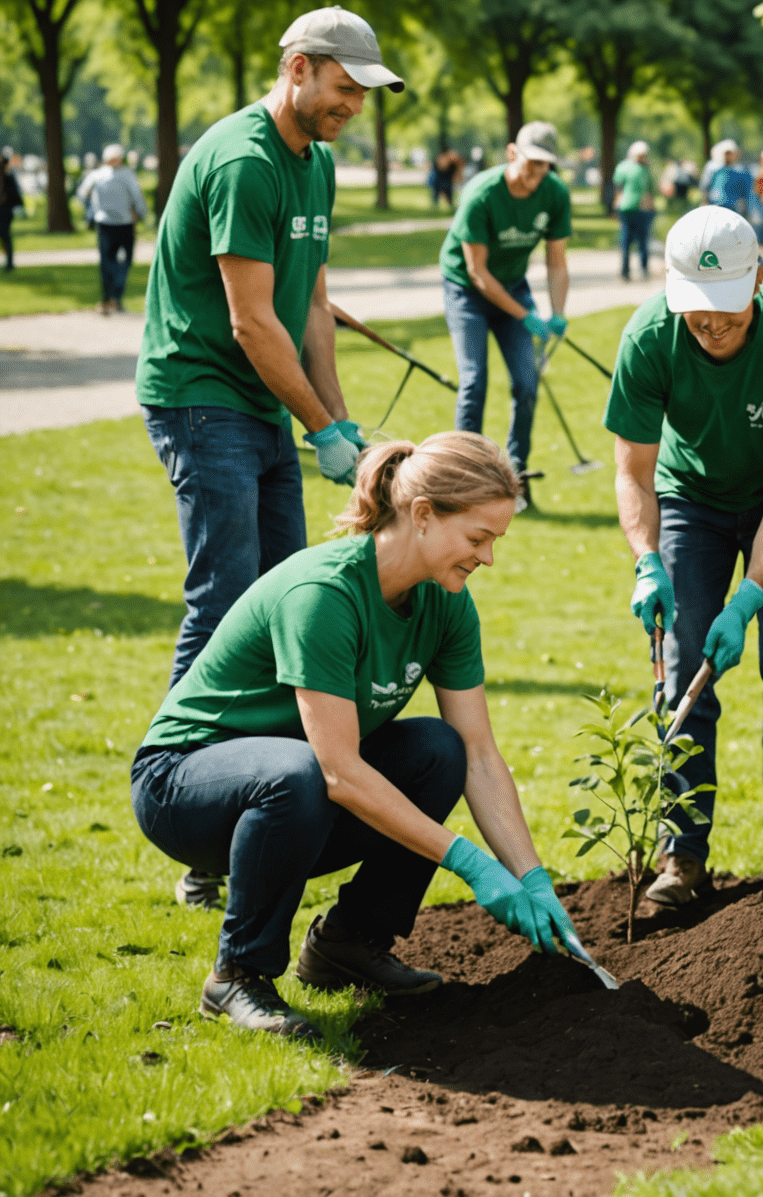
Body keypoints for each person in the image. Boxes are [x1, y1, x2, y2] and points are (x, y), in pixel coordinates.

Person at [129, 433, 580, 1040]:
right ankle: (237, 975)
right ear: (422, 515)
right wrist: (468, 861)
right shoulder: (324, 595)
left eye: (494, 541)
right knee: (302, 771)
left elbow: (476, 752)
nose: (488, 558)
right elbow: (339, 771)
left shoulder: (445, 604)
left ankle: (350, 942)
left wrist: (530, 875)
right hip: (183, 786)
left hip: (297, 789)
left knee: (436, 751)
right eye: (478, 538)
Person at [136, 7, 401, 911]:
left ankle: (273, 792)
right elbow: (252, 321)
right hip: (201, 393)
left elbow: (312, 307)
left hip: (261, 395)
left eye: (364, 92)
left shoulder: (316, 162)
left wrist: (340, 422)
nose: (354, 105)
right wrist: (317, 429)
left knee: (285, 600)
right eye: (343, 86)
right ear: (298, 67)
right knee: (225, 596)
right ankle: (192, 816)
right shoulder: (246, 160)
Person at [605, 207, 763, 907]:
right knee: (686, 666)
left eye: (726, 314)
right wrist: (648, 559)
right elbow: (632, 473)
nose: (710, 327)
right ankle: (682, 854)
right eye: (696, 313)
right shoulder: (651, 338)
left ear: (759, 282)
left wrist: (748, 598)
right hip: (691, 500)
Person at [439, 122, 571, 492]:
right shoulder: (482, 194)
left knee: (527, 384)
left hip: (513, 285)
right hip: (466, 289)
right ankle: (461, 477)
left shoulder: (554, 194)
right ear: (513, 153)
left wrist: (557, 312)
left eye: (546, 165)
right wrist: (524, 315)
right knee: (474, 381)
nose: (539, 172)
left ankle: (515, 474)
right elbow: (477, 273)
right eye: (533, 162)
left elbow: (557, 262)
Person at [78, 143, 149, 313]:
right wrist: (143, 214)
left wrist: (92, 209)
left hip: (104, 224)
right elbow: (137, 198)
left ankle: (106, 299)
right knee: (126, 261)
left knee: (106, 262)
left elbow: (82, 194)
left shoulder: (96, 175)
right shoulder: (127, 175)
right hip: (125, 223)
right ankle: (115, 298)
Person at [613, 139, 657, 280]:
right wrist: (615, 206)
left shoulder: (646, 169)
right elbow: (618, 188)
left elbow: (650, 190)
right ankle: (625, 270)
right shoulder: (624, 167)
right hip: (627, 207)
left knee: (643, 240)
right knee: (626, 240)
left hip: (643, 208)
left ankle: (644, 269)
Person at [705, 139, 753, 217]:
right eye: (726, 153)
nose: (728, 156)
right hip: (715, 204)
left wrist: (745, 208)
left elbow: (746, 191)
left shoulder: (741, 171)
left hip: (733, 207)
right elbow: (706, 186)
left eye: (731, 153)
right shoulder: (714, 169)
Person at [1, 151, 23, 272]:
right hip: (5, 210)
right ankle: (9, 262)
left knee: (4, 234)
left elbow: (13, 194)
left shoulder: (8, 176)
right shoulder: (7, 176)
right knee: (5, 236)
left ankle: (9, 263)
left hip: (5, 210)